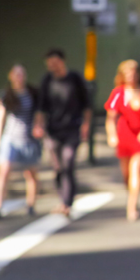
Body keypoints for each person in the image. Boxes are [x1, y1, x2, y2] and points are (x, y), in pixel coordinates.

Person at [33, 49, 91, 216]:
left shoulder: (74, 79)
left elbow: (86, 104)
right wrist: (39, 125)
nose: (52, 66)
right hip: (53, 130)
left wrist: (86, 125)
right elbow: (41, 107)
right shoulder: (47, 81)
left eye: (55, 62)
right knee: (58, 167)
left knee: (68, 161)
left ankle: (67, 202)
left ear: (62, 61)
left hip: (72, 128)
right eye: (49, 64)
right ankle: (62, 199)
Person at [105, 60, 140, 222]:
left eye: (133, 73)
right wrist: (111, 134)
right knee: (126, 174)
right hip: (124, 134)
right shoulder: (118, 93)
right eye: (127, 73)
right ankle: (131, 194)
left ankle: (132, 206)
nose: (131, 76)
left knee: (136, 170)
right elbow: (111, 117)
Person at [0, 64, 41, 219]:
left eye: (22, 74)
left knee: (30, 173)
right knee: (4, 171)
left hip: (29, 139)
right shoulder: (6, 94)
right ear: (10, 76)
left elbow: (39, 113)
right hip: (10, 138)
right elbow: (0, 117)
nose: (19, 77)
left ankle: (31, 204)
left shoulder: (32, 93)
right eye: (16, 74)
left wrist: (39, 127)